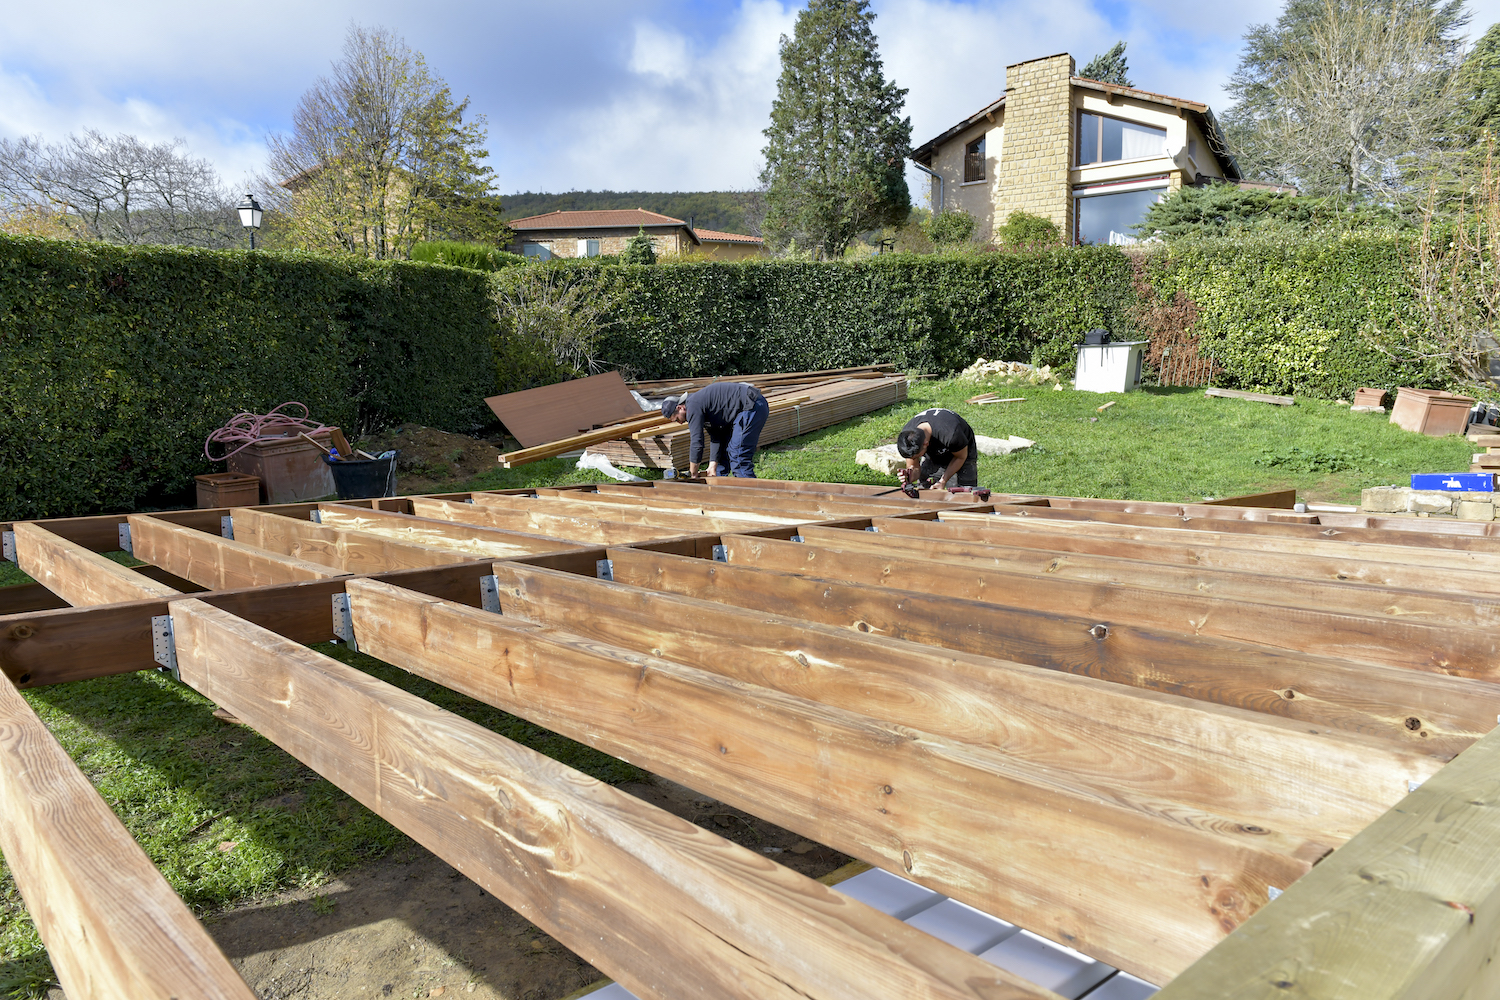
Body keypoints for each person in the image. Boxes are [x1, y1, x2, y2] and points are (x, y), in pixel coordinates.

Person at [661, 381, 770, 478]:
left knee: (738, 455)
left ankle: (750, 495)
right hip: (744, 409)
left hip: (751, 405)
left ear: (680, 408)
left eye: (676, 419)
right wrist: (712, 466)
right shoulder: (701, 407)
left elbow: (697, 442)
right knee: (722, 458)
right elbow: (716, 437)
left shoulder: (692, 407)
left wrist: (693, 473)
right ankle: (718, 485)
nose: (680, 422)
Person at [896, 407, 978, 489]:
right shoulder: (908, 438)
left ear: (926, 444)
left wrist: (943, 481)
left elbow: (960, 457)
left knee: (964, 492)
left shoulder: (951, 434)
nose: (915, 459)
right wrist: (910, 476)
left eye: (917, 457)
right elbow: (914, 468)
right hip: (934, 449)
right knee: (924, 488)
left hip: (961, 449)